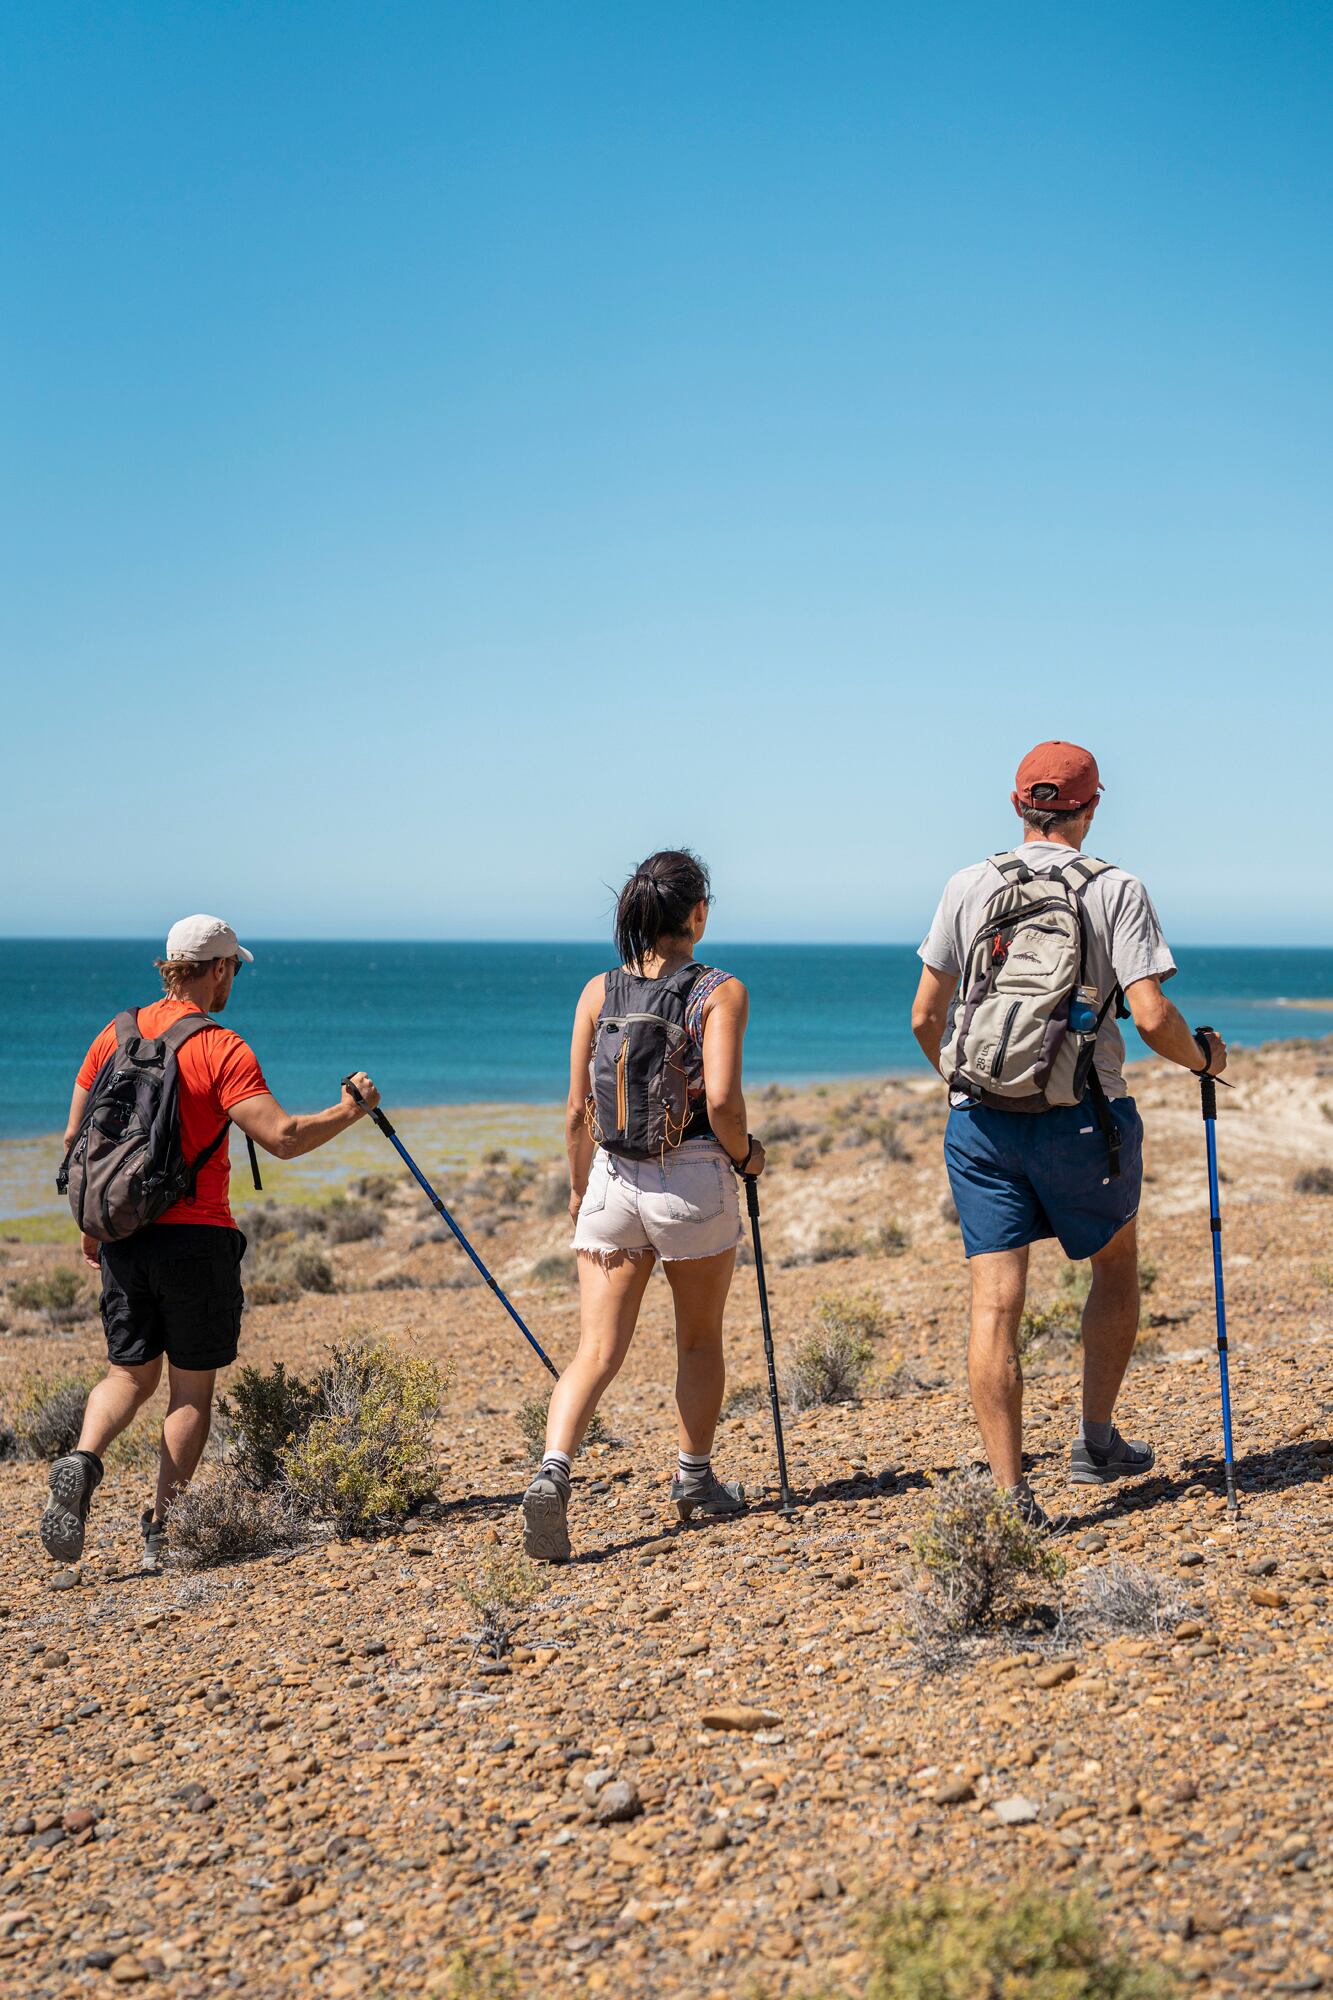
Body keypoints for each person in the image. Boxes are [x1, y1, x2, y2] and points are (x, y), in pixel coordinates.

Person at [911, 743, 1227, 1529]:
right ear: (1090, 807)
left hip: (979, 1121)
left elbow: (923, 1016)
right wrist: (1204, 1060)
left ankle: (1013, 1497)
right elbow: (1149, 1015)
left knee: (994, 1307)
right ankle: (1094, 1442)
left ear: (1018, 805)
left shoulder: (966, 883)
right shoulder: (1114, 887)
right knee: (1113, 1269)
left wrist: (970, 1080)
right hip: (1083, 1115)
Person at [42, 914, 381, 1572]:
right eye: (235, 968)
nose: (235, 980)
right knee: (189, 1393)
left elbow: (75, 1143)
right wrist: (349, 1110)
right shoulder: (220, 1048)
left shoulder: (111, 1036)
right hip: (196, 1236)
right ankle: (163, 1532)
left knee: (126, 1374)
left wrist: (94, 1223)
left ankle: (83, 1457)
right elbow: (280, 1137)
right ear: (219, 968)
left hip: (123, 1235)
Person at [521, 850, 765, 1563]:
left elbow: (574, 1110)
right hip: (690, 1179)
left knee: (595, 1350)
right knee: (697, 1339)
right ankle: (693, 1479)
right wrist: (747, 1155)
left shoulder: (598, 991)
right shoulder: (719, 992)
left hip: (611, 1181)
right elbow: (719, 1102)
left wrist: (576, 1189)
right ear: (697, 914)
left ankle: (551, 1470)